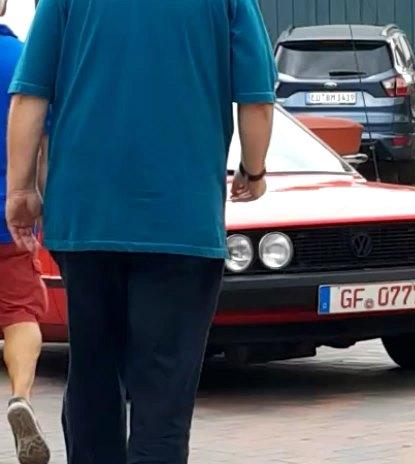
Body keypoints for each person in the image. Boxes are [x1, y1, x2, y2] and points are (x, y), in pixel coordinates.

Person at [6, 0, 276, 462]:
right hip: (182, 222)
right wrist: (254, 170)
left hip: (86, 219)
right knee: (163, 393)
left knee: (93, 376)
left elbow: (30, 95)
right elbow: (256, 100)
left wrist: (21, 189)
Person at [0, 1, 50, 463]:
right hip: (8, 221)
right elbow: (42, 140)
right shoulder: (22, 59)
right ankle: (20, 395)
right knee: (19, 311)